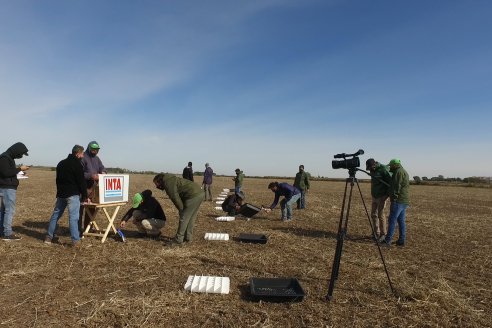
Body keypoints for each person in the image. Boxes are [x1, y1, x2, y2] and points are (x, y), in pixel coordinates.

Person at [45, 145, 89, 246]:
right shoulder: (77, 165)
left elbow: (58, 180)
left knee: (55, 215)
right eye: (82, 154)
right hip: (72, 195)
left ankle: (48, 237)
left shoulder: (60, 163)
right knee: (73, 218)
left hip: (61, 194)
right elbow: (81, 182)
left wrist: (59, 192)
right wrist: (85, 196)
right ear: (78, 154)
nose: (83, 156)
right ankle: (75, 241)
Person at [153, 173, 204, 245]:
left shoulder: (168, 183)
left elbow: (175, 197)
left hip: (192, 195)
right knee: (191, 218)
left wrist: (181, 209)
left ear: (160, 180)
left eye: (156, 184)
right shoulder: (170, 179)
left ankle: (178, 240)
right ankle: (187, 238)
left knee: (184, 218)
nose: (156, 186)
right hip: (199, 193)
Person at [0, 142, 30, 240]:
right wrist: (19, 168)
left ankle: (2, 231)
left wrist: (20, 173)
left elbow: (9, 173)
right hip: (7, 188)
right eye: (21, 154)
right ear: (16, 151)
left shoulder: (8, 157)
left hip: (7, 187)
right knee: (9, 211)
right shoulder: (4, 157)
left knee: (4, 210)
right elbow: (5, 173)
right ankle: (8, 233)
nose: (21, 156)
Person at [80, 141, 106, 232]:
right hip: (83, 188)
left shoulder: (97, 159)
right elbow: (79, 173)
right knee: (80, 209)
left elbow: (102, 167)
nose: (95, 151)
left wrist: (103, 172)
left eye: (97, 150)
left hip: (93, 188)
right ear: (89, 148)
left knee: (91, 209)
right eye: (93, 149)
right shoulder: (83, 158)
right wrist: (91, 175)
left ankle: (88, 229)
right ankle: (77, 229)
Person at [382, 159, 410, 247]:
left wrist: (393, 197)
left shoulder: (398, 172)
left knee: (392, 220)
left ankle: (387, 240)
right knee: (401, 221)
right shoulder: (403, 171)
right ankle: (401, 241)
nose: (390, 167)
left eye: (391, 165)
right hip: (404, 200)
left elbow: (396, 186)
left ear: (395, 165)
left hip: (398, 200)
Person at [366, 158, 392, 242]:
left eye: (370, 168)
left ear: (374, 165)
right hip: (374, 195)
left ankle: (383, 234)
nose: (370, 170)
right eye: (369, 169)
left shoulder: (383, 169)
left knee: (381, 214)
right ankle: (375, 233)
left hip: (382, 196)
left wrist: (386, 195)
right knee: (373, 214)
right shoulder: (372, 170)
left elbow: (391, 183)